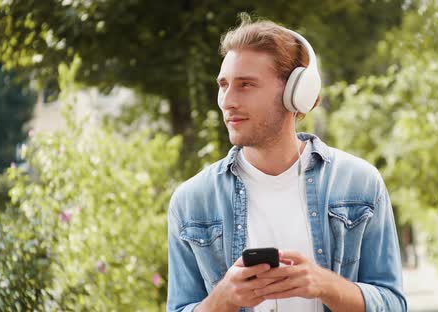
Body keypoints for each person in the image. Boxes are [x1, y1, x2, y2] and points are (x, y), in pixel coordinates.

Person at [167, 15, 407, 312]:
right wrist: (223, 299)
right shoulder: (192, 201)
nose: (227, 101)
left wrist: (324, 285)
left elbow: (394, 304)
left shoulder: (359, 184)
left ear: (296, 94)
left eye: (245, 85)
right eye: (224, 84)